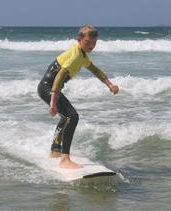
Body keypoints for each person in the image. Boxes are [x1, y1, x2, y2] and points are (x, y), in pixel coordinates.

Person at [37, 25, 119, 169]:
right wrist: (53, 102)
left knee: (66, 117)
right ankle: (64, 159)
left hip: (48, 88)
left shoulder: (82, 55)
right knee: (72, 116)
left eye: (94, 43)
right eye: (88, 42)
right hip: (48, 88)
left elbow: (94, 69)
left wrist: (110, 85)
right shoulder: (75, 56)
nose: (91, 46)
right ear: (79, 40)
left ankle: (55, 150)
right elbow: (60, 75)